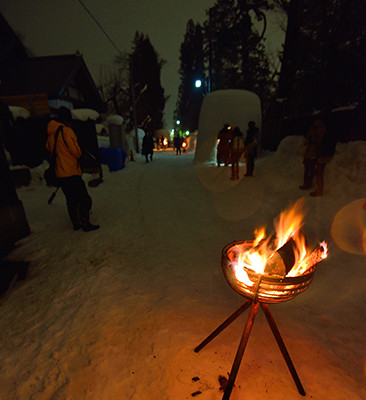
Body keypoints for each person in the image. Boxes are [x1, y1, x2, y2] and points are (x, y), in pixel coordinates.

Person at [46, 107, 99, 232]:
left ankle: (76, 222)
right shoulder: (67, 131)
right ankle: (85, 222)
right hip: (71, 171)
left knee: (70, 199)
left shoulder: (51, 134)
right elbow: (76, 152)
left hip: (60, 173)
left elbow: (49, 149)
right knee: (84, 198)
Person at [299, 117, 326, 191]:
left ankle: (309, 184)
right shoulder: (312, 128)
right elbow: (308, 137)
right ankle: (306, 183)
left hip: (314, 153)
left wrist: (313, 139)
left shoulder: (321, 129)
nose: (315, 122)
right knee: (306, 169)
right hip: (308, 152)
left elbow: (319, 140)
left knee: (311, 169)